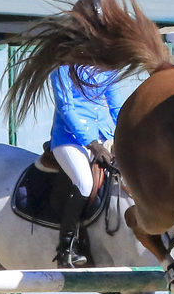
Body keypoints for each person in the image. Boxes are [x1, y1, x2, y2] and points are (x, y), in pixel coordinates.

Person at [49, 63, 121, 268]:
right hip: (70, 139)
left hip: (103, 135)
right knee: (84, 183)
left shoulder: (108, 69)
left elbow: (116, 107)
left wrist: (125, 133)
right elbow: (66, 108)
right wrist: (93, 145)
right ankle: (66, 248)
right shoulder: (62, 69)